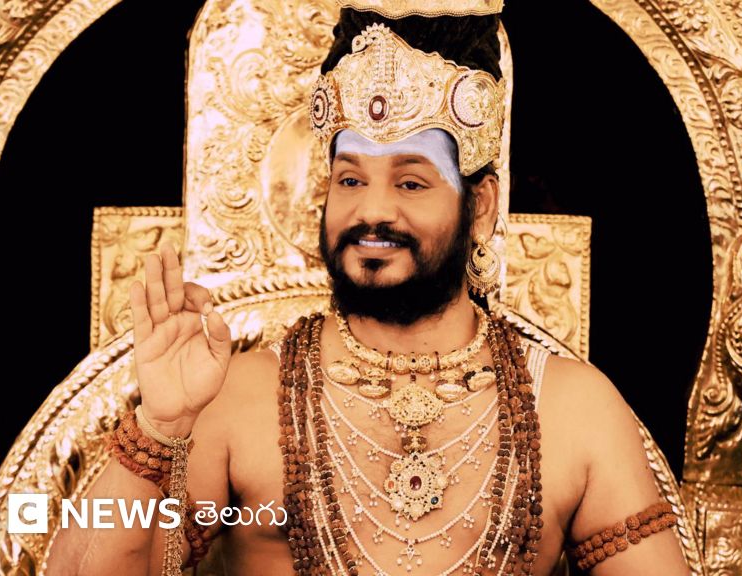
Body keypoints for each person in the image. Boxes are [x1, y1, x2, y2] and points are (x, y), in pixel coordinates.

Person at [48, 3, 692, 575]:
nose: (372, 211)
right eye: (351, 180)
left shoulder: (574, 409)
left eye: (411, 182)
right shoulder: (239, 398)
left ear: (482, 205)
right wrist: (158, 428)